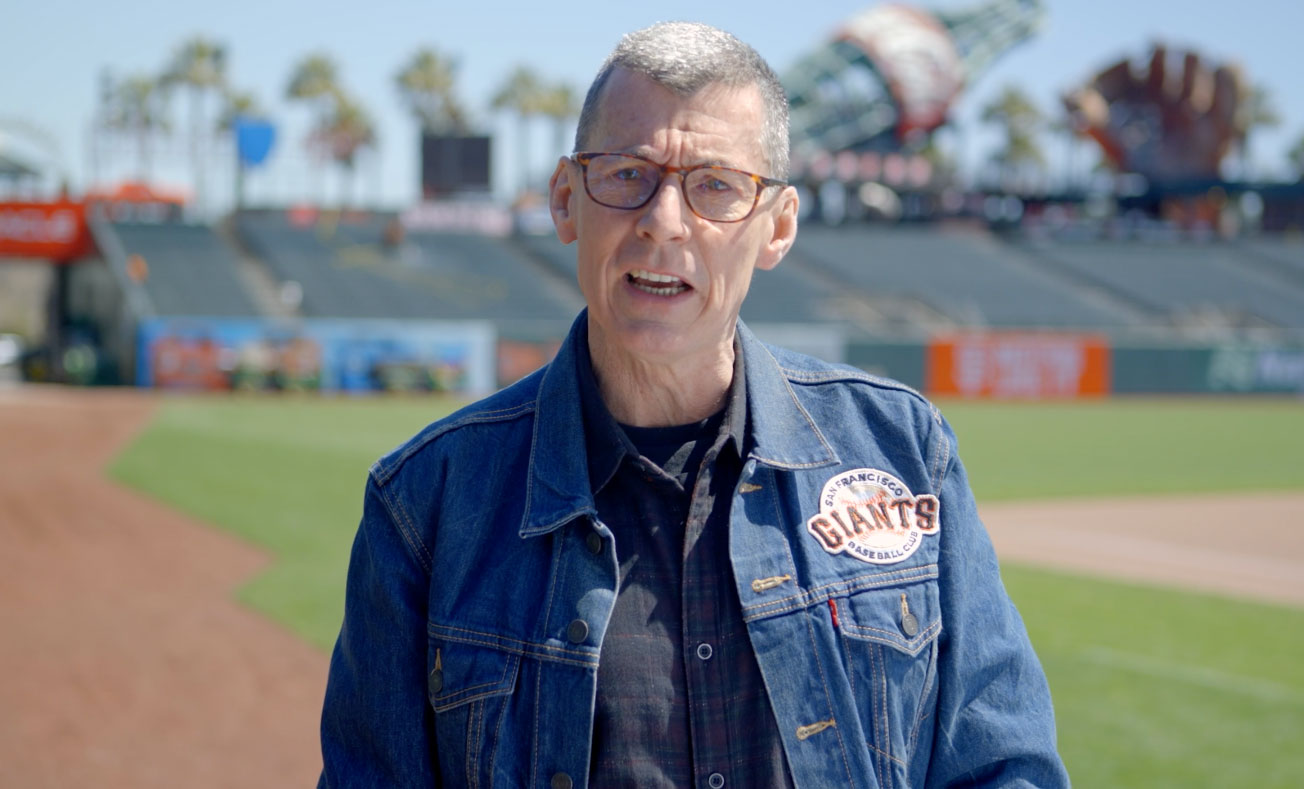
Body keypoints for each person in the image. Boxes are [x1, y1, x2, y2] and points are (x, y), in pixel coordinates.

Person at [319, 21, 1069, 789]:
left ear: (776, 226)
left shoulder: (904, 451)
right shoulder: (427, 502)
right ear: (564, 199)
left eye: (715, 185)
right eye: (626, 173)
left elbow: (1005, 768)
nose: (664, 221)